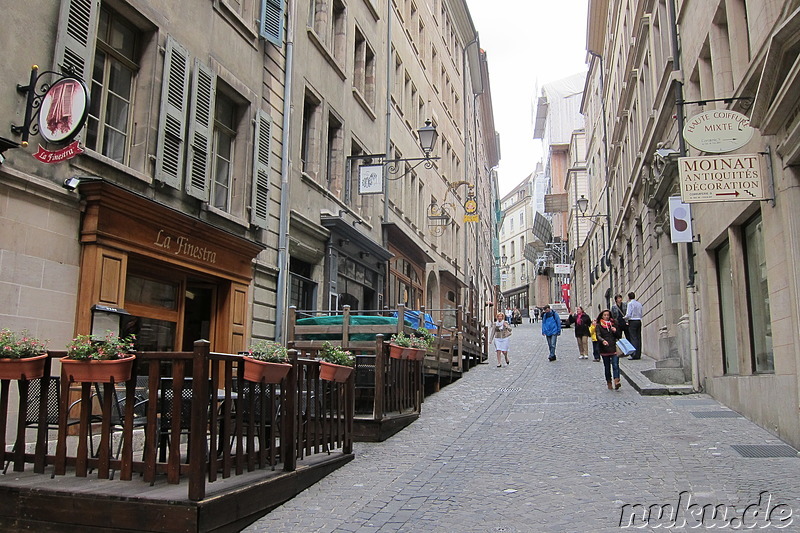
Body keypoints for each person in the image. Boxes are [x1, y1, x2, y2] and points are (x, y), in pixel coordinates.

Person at [596, 309, 623, 389]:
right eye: (605, 315)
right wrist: (603, 341)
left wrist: (615, 331)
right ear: (602, 316)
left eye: (607, 315)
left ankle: (616, 380)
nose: (606, 317)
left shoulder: (613, 324)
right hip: (604, 349)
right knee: (607, 367)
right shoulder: (599, 325)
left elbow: (619, 336)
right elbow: (598, 335)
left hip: (614, 347)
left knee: (615, 365)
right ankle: (609, 381)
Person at [623, 292, 643, 360]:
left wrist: (624, 318)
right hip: (638, 320)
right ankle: (638, 354)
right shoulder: (639, 304)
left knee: (633, 337)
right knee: (638, 337)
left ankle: (634, 354)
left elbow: (628, 314)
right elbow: (641, 313)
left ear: (629, 297)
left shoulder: (630, 304)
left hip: (632, 321)